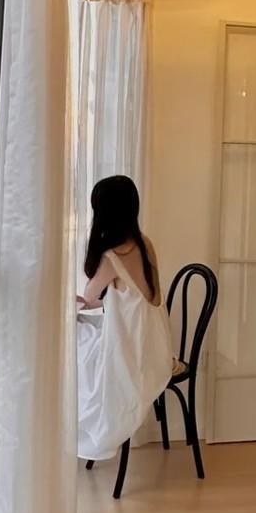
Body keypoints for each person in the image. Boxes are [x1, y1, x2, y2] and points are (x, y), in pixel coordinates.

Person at [76, 175, 173, 462]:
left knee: (70, 341)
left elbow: (89, 297)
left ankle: (61, 425)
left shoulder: (111, 258)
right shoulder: (145, 244)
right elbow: (140, 298)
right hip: (155, 347)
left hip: (132, 356)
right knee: (85, 335)